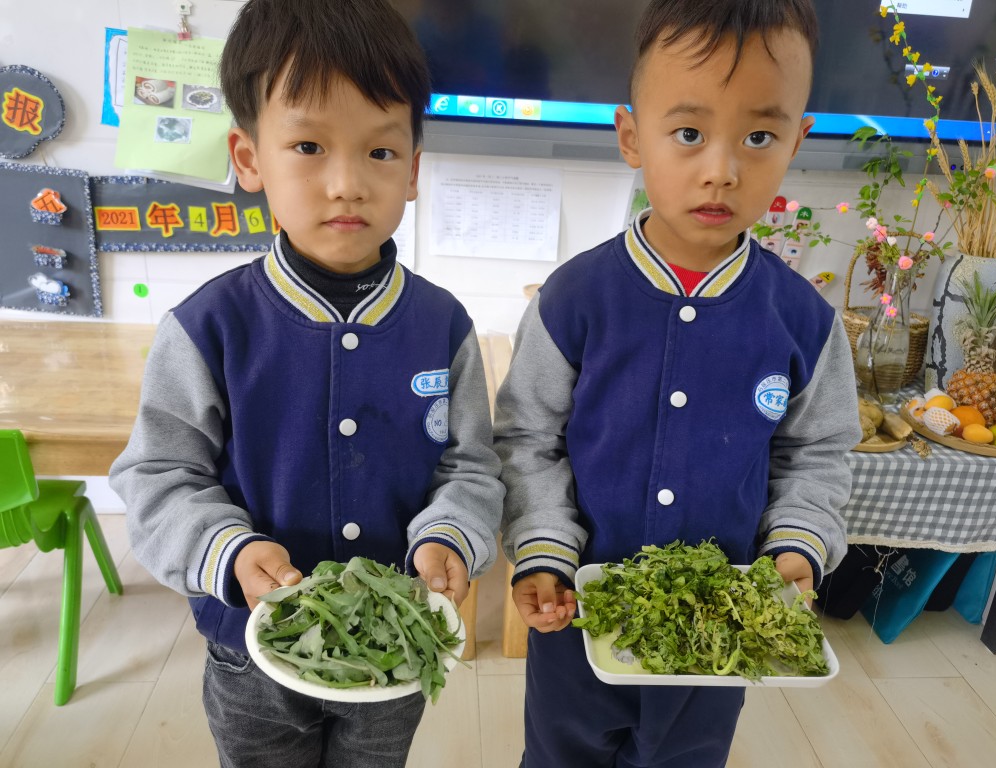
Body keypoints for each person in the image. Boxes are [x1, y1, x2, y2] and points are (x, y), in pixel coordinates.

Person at [109, 1, 504, 766]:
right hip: (250, 654)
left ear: (413, 169)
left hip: (394, 648)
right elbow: (158, 475)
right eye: (309, 146)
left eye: (380, 151)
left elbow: (470, 467)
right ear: (249, 158)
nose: (346, 184)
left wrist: (450, 534)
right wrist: (227, 550)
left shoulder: (444, 325)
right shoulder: (208, 326)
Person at [493, 0, 861, 765]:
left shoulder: (804, 321)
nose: (721, 169)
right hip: (578, 616)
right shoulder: (573, 300)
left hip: (716, 634)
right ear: (632, 136)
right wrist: (543, 550)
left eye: (758, 137)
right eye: (689, 133)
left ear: (797, 141)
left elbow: (817, 454)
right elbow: (527, 439)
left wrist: (796, 548)